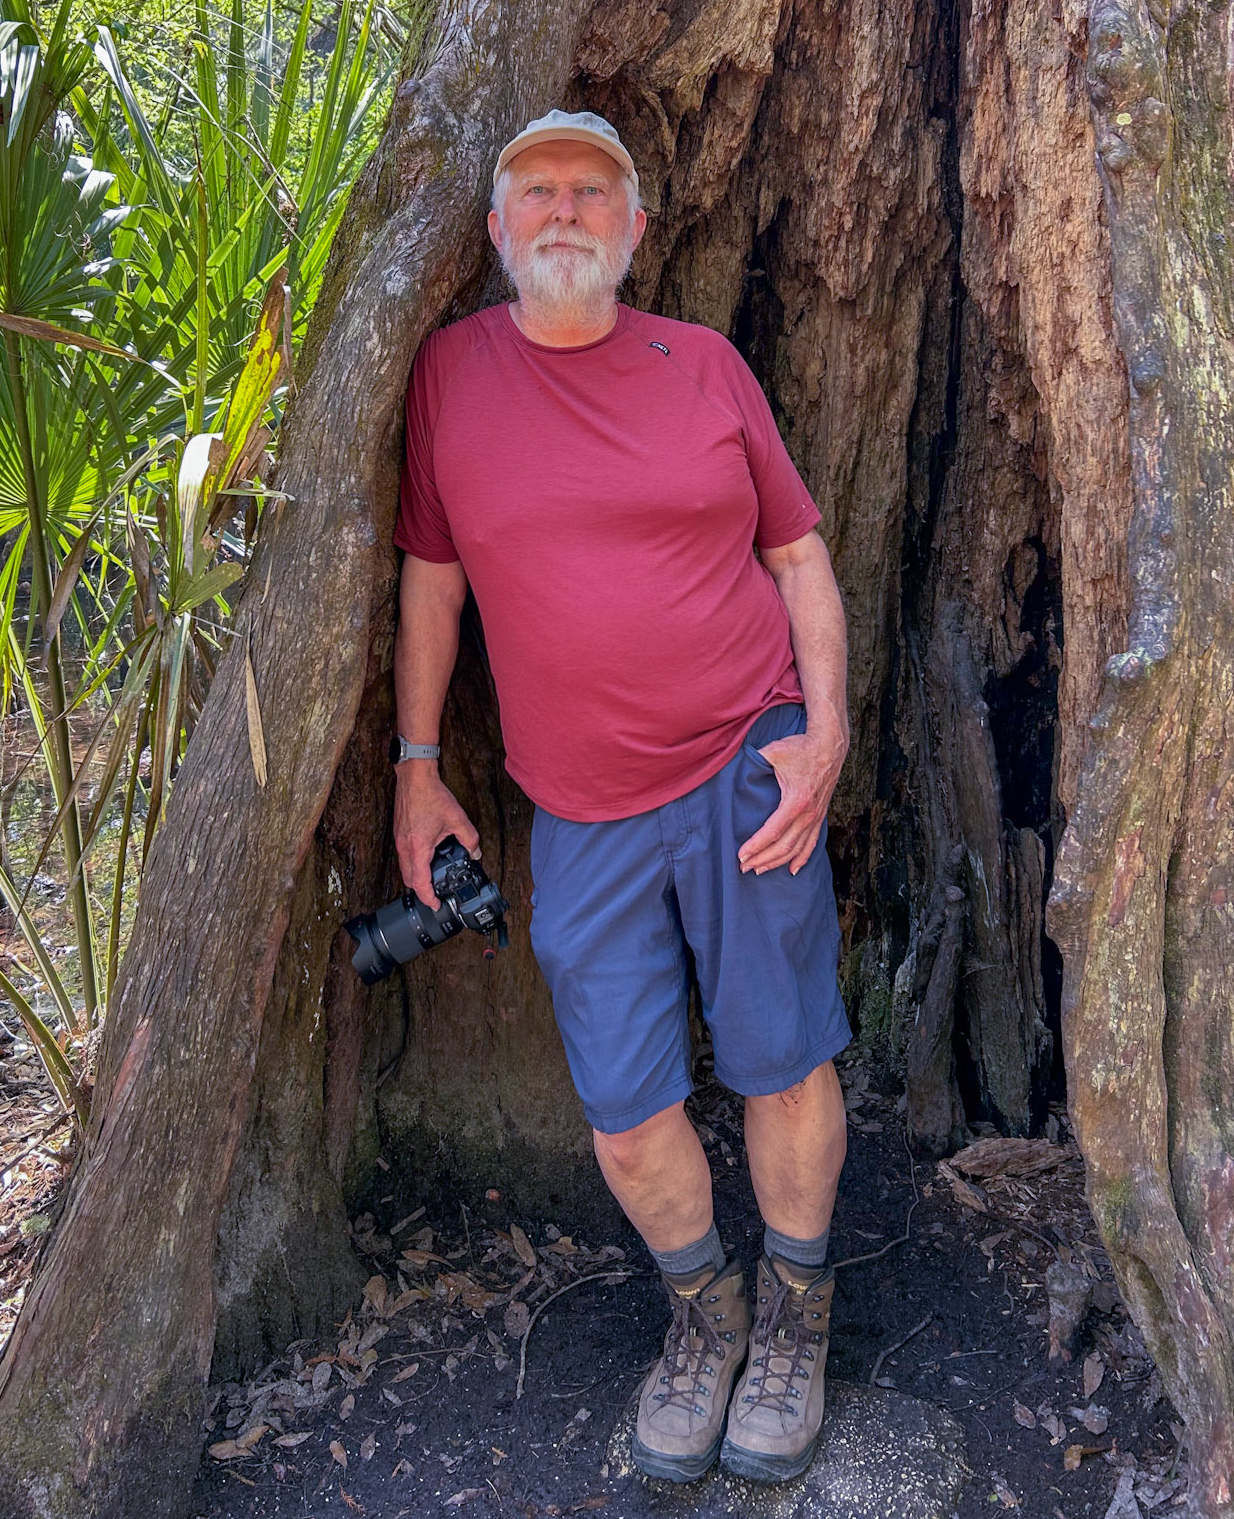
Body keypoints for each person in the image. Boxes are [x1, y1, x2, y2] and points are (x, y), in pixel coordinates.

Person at [390, 109, 853, 1486]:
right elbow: (432, 578)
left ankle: (796, 1326)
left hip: (742, 766)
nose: (566, 210)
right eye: (536, 189)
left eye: (594, 190)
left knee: (782, 1058)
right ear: (495, 226)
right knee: (626, 1108)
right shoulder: (449, 378)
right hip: (576, 807)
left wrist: (824, 733)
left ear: (638, 227)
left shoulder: (703, 369)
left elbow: (800, 555)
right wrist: (418, 773)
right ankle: (705, 1321)